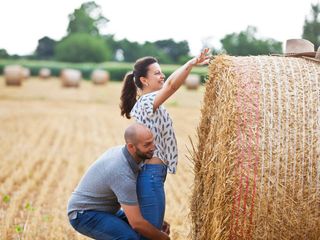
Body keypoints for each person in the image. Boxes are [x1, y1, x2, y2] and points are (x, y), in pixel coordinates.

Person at [119, 48, 210, 237]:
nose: (162, 76)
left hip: (154, 175)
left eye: (162, 72)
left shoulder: (151, 102)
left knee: (153, 229)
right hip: (151, 175)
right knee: (153, 234)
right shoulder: (146, 102)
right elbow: (171, 86)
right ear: (144, 80)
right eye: (157, 73)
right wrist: (191, 63)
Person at [67, 123, 170, 240]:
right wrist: (164, 238)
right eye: (147, 144)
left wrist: (154, 227)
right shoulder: (121, 172)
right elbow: (136, 223)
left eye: (152, 141)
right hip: (83, 214)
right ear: (131, 147)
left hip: (105, 210)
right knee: (129, 238)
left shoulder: (132, 155)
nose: (153, 147)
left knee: (149, 230)